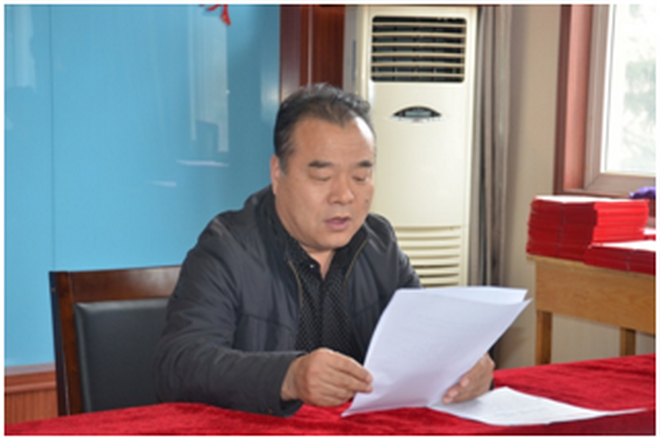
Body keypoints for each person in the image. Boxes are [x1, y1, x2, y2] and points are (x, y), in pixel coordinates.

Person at [154, 83, 494, 416]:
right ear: (278, 173)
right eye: (322, 178)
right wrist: (288, 377)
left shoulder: (379, 245)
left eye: (360, 178)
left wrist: (465, 366)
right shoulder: (227, 249)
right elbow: (179, 365)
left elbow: (428, 340)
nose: (344, 196)